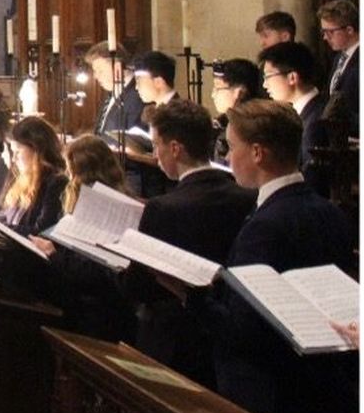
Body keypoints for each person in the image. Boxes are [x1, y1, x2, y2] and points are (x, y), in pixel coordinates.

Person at [206, 100, 356, 413]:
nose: (227, 158)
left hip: (271, 396)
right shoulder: (330, 211)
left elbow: (244, 328)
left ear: (257, 153)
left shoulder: (265, 226)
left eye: (232, 147)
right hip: (323, 392)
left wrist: (190, 298)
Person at [122, 99, 255, 387]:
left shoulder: (163, 208)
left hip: (173, 340)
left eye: (156, 145)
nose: (154, 154)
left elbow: (140, 285)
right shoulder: (247, 198)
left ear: (175, 148)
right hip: (222, 337)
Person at [29, 135, 133, 343]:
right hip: (93, 303)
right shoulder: (108, 199)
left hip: (95, 312)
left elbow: (96, 269)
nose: (69, 178)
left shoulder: (104, 208)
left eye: (71, 172)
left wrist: (53, 253)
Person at [258, 40, 326, 182]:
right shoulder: (301, 113)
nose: (265, 85)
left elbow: (311, 179)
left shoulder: (316, 120)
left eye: (268, 77)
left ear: (292, 78)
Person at [0, 115, 69, 235]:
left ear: (36, 150)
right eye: (12, 152)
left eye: (17, 152)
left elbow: (42, 232)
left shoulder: (56, 183)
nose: (14, 159)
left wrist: (2, 228)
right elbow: (6, 217)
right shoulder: (22, 179)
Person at [127, 51, 177, 196]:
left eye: (139, 81)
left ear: (159, 82)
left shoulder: (175, 112)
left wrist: (132, 155)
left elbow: (170, 158)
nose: (136, 88)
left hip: (167, 189)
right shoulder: (153, 108)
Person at [208, 58, 266, 160]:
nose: (213, 95)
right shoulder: (221, 123)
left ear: (239, 92)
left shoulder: (251, 127)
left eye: (217, 88)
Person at [317, 0, 359, 132]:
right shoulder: (338, 58)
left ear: (349, 30)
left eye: (330, 32)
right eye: (323, 32)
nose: (325, 38)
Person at [85, 43, 144, 135]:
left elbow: (134, 139)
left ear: (118, 67)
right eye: (95, 71)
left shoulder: (139, 95)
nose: (95, 76)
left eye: (100, 70)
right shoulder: (112, 93)